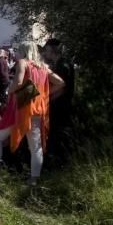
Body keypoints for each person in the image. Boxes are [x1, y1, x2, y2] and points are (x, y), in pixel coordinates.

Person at [0, 41, 64, 186]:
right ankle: (34, 179)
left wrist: (8, 91)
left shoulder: (23, 63)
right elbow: (60, 82)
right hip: (37, 109)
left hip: (21, 108)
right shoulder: (44, 67)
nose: (16, 53)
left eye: (18, 50)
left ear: (23, 51)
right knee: (35, 146)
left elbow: (17, 82)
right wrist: (43, 94)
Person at [43, 39, 75, 167]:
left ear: (52, 50)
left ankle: (61, 164)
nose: (45, 53)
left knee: (60, 135)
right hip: (60, 105)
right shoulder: (61, 63)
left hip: (61, 106)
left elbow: (61, 88)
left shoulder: (63, 65)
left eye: (46, 50)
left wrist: (46, 98)